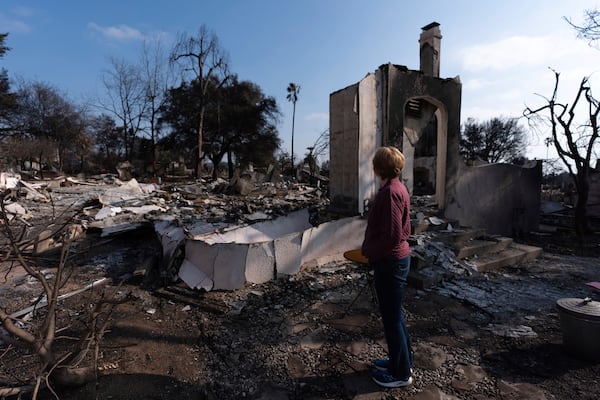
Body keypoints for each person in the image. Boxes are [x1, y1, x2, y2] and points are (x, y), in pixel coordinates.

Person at [361, 146, 413, 388]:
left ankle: (400, 374)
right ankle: (401, 361)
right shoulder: (397, 188)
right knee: (396, 316)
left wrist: (370, 252)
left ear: (378, 167)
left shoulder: (390, 192)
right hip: (395, 259)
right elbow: (405, 229)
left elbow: (393, 235)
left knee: (392, 319)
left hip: (390, 262)